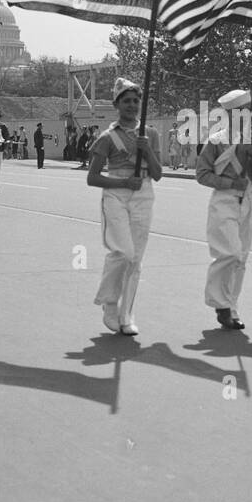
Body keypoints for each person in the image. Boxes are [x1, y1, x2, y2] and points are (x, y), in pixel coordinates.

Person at [87, 78, 163, 335]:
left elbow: (158, 173)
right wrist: (122, 181)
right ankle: (110, 303)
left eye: (135, 101)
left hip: (143, 194)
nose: (132, 105)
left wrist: (147, 150)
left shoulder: (150, 134)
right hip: (116, 195)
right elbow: (93, 177)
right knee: (123, 252)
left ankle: (126, 314)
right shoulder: (107, 138)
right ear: (116, 105)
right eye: (126, 101)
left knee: (136, 259)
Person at [197, 89, 252, 329]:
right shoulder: (216, 141)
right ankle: (220, 303)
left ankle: (232, 306)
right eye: (237, 112)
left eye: (247, 111)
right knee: (229, 252)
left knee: (241, 258)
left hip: (247, 199)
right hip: (224, 200)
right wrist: (230, 182)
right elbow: (202, 174)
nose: (243, 115)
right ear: (228, 114)